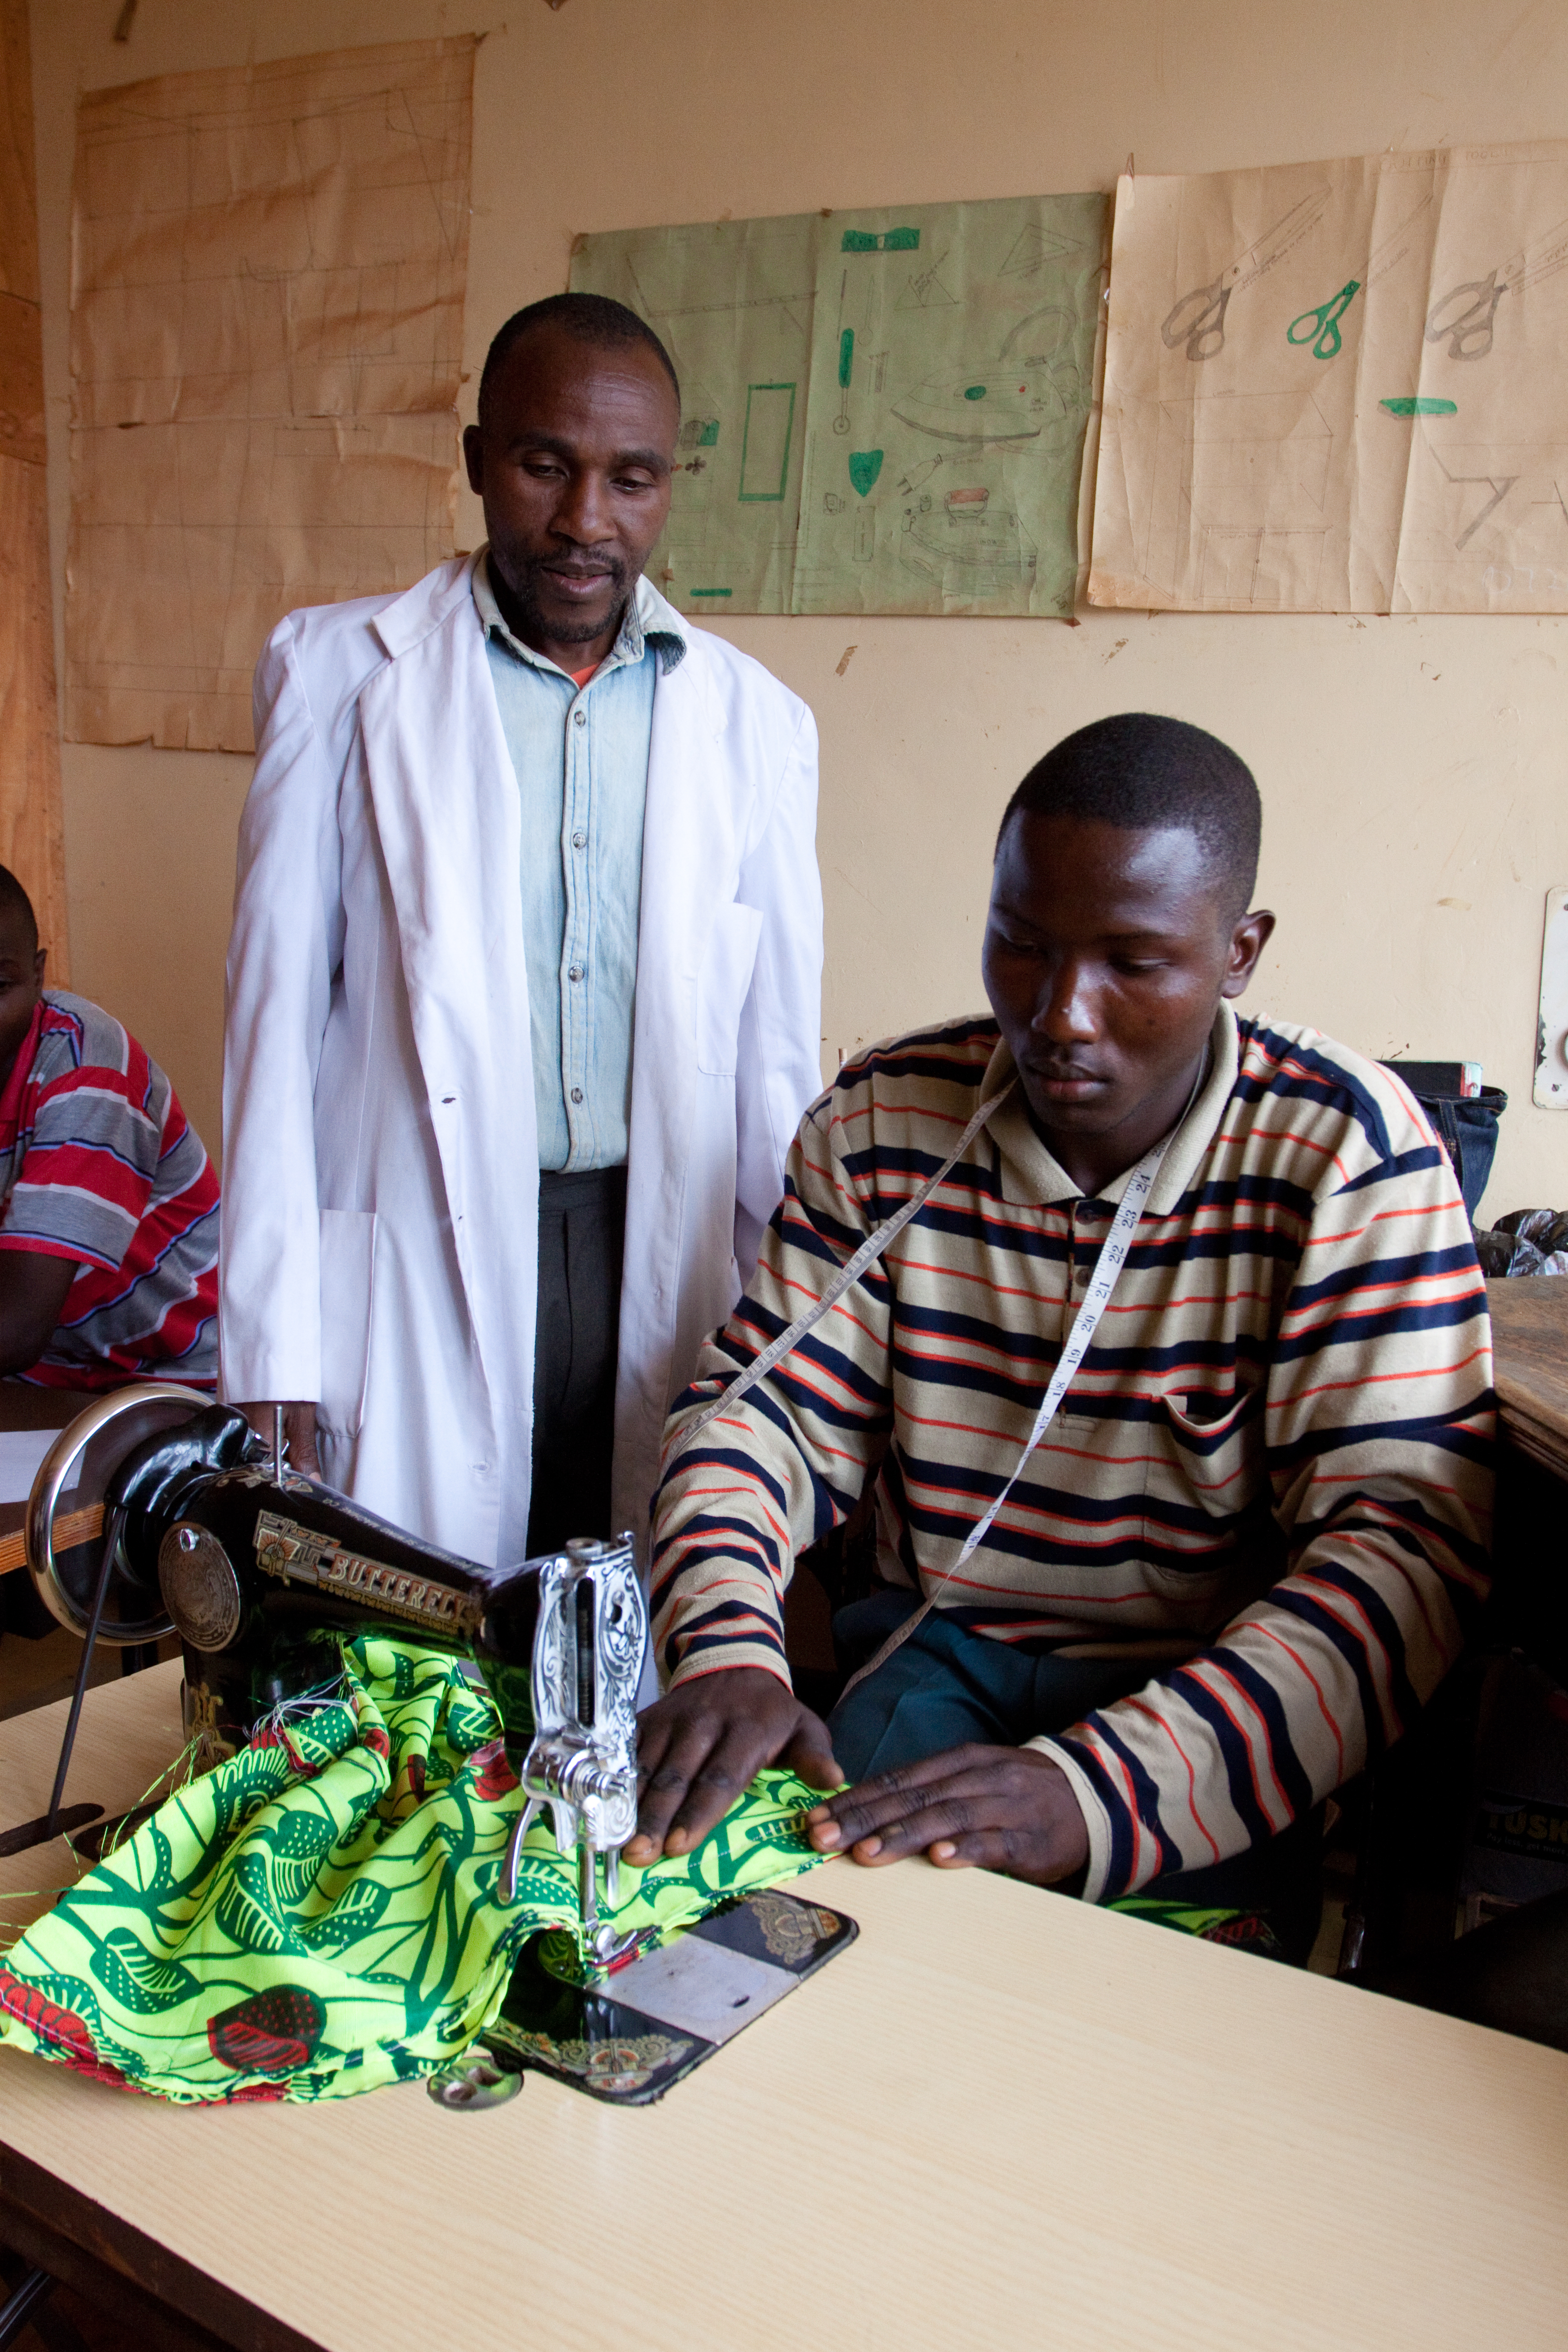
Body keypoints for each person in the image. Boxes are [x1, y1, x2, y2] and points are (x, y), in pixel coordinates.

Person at [632, 714, 1493, 1957]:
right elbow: (753, 1416)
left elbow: (1396, 1560)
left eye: (1131, 963)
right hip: (944, 1659)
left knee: (1141, 2042)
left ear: (1238, 951)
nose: (1060, 1014)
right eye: (1019, 945)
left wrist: (1093, 1795)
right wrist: (725, 1643)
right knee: (800, 1953)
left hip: (1203, 1700)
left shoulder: (1345, 1157)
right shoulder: (885, 1120)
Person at [221, 294, 822, 1567]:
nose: (584, 520)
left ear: (670, 484)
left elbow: (772, 1067)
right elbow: (270, 1026)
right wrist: (272, 1344)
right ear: (479, 460)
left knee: (623, 1618)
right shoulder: (340, 674)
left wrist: (793, 1335)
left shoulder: (755, 722)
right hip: (418, 1232)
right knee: (419, 1627)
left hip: (648, 1235)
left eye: (630, 477)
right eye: (545, 464)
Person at [0, 865, 218, 1391]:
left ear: (38, 974)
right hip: (46, 1381)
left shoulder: (88, 1073)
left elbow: (16, 1328)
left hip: (178, 1386)